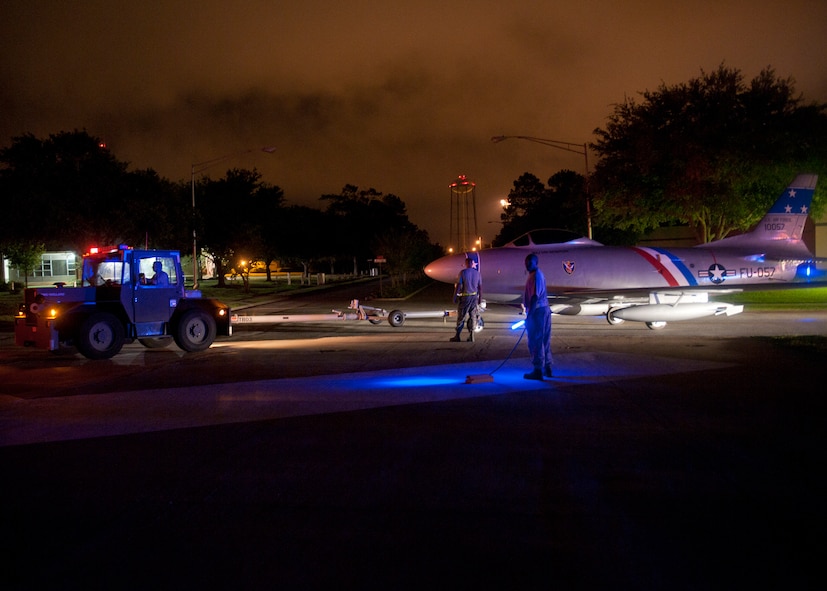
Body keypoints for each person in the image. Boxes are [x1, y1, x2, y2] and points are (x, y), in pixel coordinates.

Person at [522, 253, 552, 380]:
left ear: (536, 263)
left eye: (530, 262)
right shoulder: (536, 275)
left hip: (538, 311)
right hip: (543, 309)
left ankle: (538, 369)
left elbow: (534, 296)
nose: (527, 265)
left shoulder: (535, 276)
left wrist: (530, 315)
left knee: (536, 340)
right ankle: (547, 367)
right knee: (545, 340)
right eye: (526, 263)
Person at [450, 256, 482, 342]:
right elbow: (480, 287)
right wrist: (480, 299)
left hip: (465, 297)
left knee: (461, 316)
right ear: (472, 264)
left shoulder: (463, 272)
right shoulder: (477, 273)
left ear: (466, 264)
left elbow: (459, 286)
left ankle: (457, 336)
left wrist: (455, 296)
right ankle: (472, 336)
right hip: (474, 297)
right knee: (473, 316)